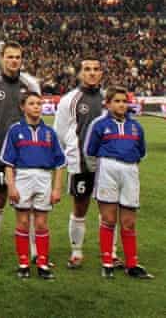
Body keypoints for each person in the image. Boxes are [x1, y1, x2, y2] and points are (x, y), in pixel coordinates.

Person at [0, 41, 40, 267]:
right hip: (0, 151)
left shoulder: (30, 83)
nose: (14, 61)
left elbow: (35, 112)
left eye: (18, 57)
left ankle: (34, 249)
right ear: (2, 58)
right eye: (10, 57)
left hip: (27, 152)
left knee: (29, 199)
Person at [84, 86, 154, 279]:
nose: (121, 104)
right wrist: (100, 170)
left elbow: (141, 152)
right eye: (117, 101)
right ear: (108, 104)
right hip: (107, 169)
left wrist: (128, 166)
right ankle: (107, 262)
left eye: (124, 101)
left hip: (130, 171)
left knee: (129, 222)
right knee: (108, 219)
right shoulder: (99, 124)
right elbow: (90, 152)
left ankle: (132, 264)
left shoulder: (136, 126)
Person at [0, 92, 65, 280]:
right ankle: (23, 263)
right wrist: (11, 186)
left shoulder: (49, 132)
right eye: (32, 103)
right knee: (22, 222)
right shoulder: (15, 131)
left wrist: (57, 188)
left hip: (44, 178)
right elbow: (8, 163)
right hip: (23, 177)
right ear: (23, 107)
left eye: (39, 103)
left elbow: (60, 163)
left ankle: (43, 263)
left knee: (41, 223)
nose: (36, 106)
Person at [53, 57, 110, 269]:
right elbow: (60, 133)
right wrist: (70, 156)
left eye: (96, 69)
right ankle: (76, 251)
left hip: (107, 164)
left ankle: (110, 252)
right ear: (79, 73)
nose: (92, 73)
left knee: (108, 209)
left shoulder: (108, 99)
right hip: (81, 164)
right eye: (87, 69)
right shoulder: (70, 100)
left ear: (101, 73)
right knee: (80, 206)